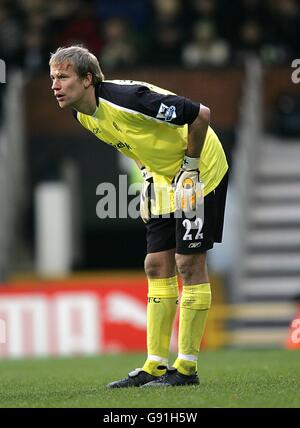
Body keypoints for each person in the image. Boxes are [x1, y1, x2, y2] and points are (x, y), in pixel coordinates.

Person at [49, 45, 228, 387]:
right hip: (163, 177)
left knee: (188, 264)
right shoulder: (81, 113)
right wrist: (147, 176)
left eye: (63, 77)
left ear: (88, 79)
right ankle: (154, 365)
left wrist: (190, 169)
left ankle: (187, 368)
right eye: (53, 78)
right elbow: (127, 142)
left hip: (201, 170)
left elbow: (201, 114)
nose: (55, 85)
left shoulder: (129, 98)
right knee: (155, 265)